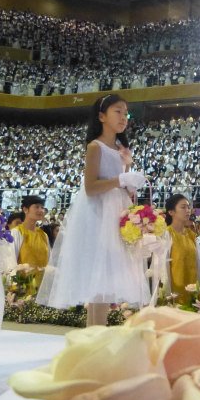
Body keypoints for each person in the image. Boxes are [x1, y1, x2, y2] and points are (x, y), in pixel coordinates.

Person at [36, 94, 147, 325]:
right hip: (98, 214)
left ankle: (96, 332)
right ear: (101, 116)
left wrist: (129, 177)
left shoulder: (121, 149)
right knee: (99, 275)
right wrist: (120, 179)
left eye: (126, 113)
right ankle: (95, 331)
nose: (123, 117)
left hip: (117, 212)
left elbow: (125, 188)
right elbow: (91, 187)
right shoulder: (95, 147)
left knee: (106, 278)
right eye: (118, 112)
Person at [165, 193, 200, 305]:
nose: (188, 210)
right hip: (174, 292)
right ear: (171, 212)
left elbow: (198, 265)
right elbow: (162, 267)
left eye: (188, 207)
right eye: (183, 207)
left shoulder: (191, 235)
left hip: (192, 290)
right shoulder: (166, 234)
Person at [11, 195, 51, 286]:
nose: (41, 210)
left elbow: (49, 261)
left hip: (42, 286)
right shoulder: (16, 233)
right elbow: (11, 262)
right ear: (25, 209)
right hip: (22, 286)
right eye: (37, 207)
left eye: (42, 207)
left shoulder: (44, 235)